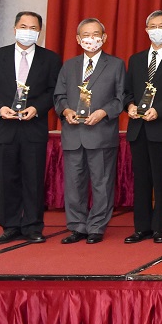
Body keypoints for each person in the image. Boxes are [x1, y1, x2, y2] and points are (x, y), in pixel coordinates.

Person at [0, 11, 62, 245]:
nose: (28, 31)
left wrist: (36, 108)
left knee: (33, 179)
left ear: (39, 32)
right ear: (14, 29)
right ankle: (10, 226)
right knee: (7, 179)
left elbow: (54, 91)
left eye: (33, 28)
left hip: (34, 128)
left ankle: (33, 226)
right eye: (23, 27)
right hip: (4, 128)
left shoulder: (50, 59)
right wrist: (0, 108)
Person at [53, 18, 125, 244]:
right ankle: (77, 226)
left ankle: (96, 227)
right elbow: (58, 96)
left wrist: (103, 113)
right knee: (74, 183)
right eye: (85, 35)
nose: (90, 39)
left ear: (104, 38)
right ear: (78, 39)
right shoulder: (68, 66)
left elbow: (121, 98)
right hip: (73, 133)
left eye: (95, 34)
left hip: (101, 133)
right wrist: (66, 111)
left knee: (102, 183)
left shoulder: (116, 65)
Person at [123, 10, 162, 244]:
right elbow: (127, 91)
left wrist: (159, 110)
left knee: (161, 179)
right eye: (152, 26)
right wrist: (129, 106)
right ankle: (141, 228)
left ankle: (160, 227)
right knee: (141, 179)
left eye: (161, 26)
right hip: (137, 128)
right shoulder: (136, 59)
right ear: (146, 30)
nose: (156, 30)